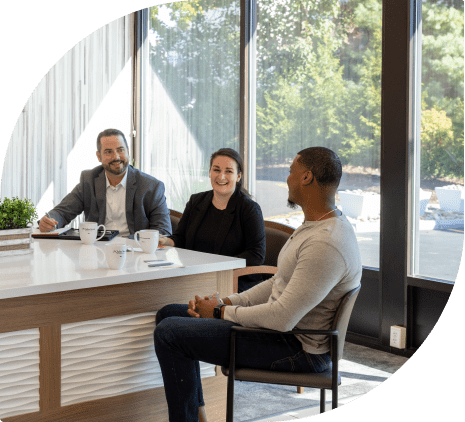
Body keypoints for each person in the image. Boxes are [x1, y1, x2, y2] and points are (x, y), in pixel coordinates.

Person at [154, 146, 362, 422]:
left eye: (291, 171)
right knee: (168, 314)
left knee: (169, 332)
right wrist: (227, 302)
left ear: (307, 178)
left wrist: (218, 313)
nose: (287, 179)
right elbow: (277, 282)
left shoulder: (325, 243)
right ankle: (197, 415)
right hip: (283, 333)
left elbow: (281, 317)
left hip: (297, 349)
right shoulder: (314, 226)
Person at [158, 148, 266, 293]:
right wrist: (166, 241)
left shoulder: (249, 209)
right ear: (209, 172)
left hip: (230, 281)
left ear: (238, 176)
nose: (221, 176)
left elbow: (256, 255)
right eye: (216, 170)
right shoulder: (196, 201)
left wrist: (217, 266)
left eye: (228, 171)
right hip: (194, 276)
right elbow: (180, 237)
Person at [38, 128, 171, 237]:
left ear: (128, 151)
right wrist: (50, 221)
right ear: (99, 156)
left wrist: (124, 243)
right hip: (96, 252)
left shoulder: (151, 186)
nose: (116, 157)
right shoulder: (89, 180)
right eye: (108, 152)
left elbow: (163, 231)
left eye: (120, 150)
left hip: (134, 253)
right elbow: (63, 212)